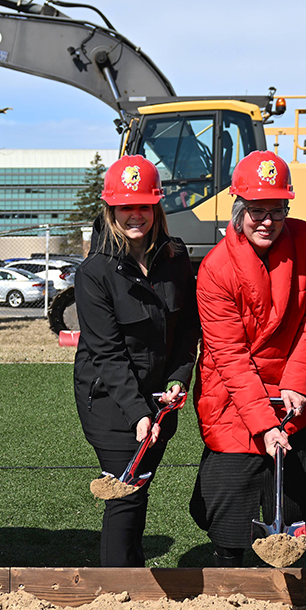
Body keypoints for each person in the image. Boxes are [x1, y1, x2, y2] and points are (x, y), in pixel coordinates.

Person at [190, 151, 306, 566]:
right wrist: (265, 426)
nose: (268, 220)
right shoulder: (216, 269)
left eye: (277, 210)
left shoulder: (305, 241)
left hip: (294, 389)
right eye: (257, 210)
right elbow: (230, 356)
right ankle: (230, 569)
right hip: (237, 396)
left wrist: (296, 380)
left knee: (302, 495)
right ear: (239, 211)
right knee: (229, 513)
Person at [73, 155, 199, 567]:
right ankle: (116, 587)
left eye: (143, 205)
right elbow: (107, 352)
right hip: (108, 399)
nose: (135, 215)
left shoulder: (176, 258)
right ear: (111, 210)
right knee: (125, 492)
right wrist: (136, 413)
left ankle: (131, 571)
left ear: (156, 208)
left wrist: (180, 379)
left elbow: (186, 331)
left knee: (138, 486)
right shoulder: (94, 272)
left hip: (160, 397)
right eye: (126, 207)